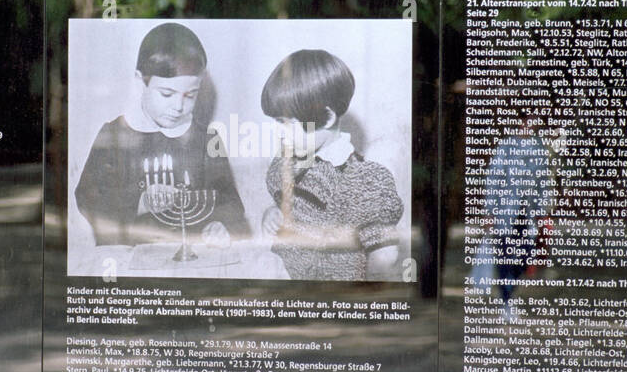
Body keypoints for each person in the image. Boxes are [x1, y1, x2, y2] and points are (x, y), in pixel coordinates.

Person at [74, 23, 249, 247]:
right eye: (167, 93)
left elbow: (231, 203)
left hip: (192, 255)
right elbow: (87, 198)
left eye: (190, 95)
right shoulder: (114, 135)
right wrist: (140, 201)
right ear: (140, 82)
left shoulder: (207, 138)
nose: (178, 106)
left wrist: (220, 224)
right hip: (130, 254)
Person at [259, 49, 404, 281]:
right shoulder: (289, 162)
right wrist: (273, 214)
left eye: (287, 123)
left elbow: (385, 255)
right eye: (277, 122)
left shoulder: (363, 179)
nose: (278, 132)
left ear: (327, 118)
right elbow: (287, 205)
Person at [482, 110, 554, 321]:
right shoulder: (505, 147)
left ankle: (510, 294)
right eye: (527, 120)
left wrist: (542, 212)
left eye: (534, 120)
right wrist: (490, 211)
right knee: (504, 257)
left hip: (528, 215)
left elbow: (543, 182)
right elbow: (493, 180)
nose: (531, 124)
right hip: (506, 213)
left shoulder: (539, 149)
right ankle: (506, 301)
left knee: (524, 258)